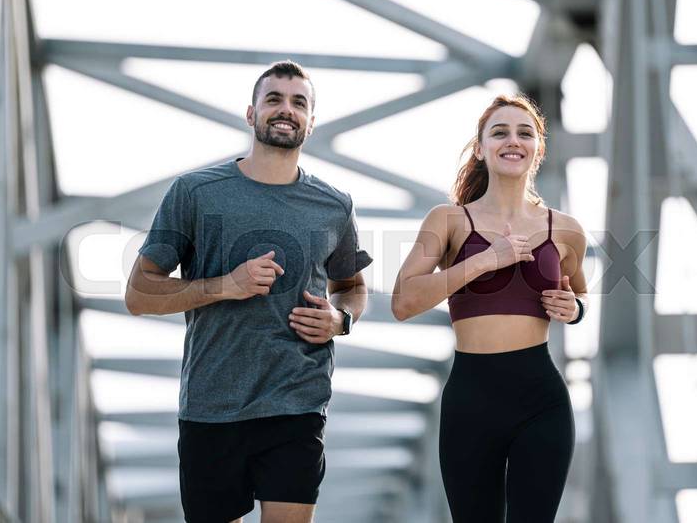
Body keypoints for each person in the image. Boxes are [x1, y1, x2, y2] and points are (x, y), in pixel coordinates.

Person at [125, 60, 372, 523]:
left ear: (311, 121)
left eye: (299, 102)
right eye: (274, 99)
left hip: (297, 401)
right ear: (250, 113)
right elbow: (139, 294)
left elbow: (353, 288)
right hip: (211, 404)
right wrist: (225, 285)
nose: (286, 109)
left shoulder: (335, 205)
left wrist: (341, 321)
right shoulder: (195, 192)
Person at [391, 94, 588, 522]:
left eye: (524, 132)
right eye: (499, 132)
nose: (512, 140)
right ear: (480, 148)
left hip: (542, 399)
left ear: (538, 148)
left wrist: (573, 310)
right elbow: (403, 302)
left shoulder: (568, 230)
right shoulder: (448, 220)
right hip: (471, 400)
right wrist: (484, 260)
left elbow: (579, 299)